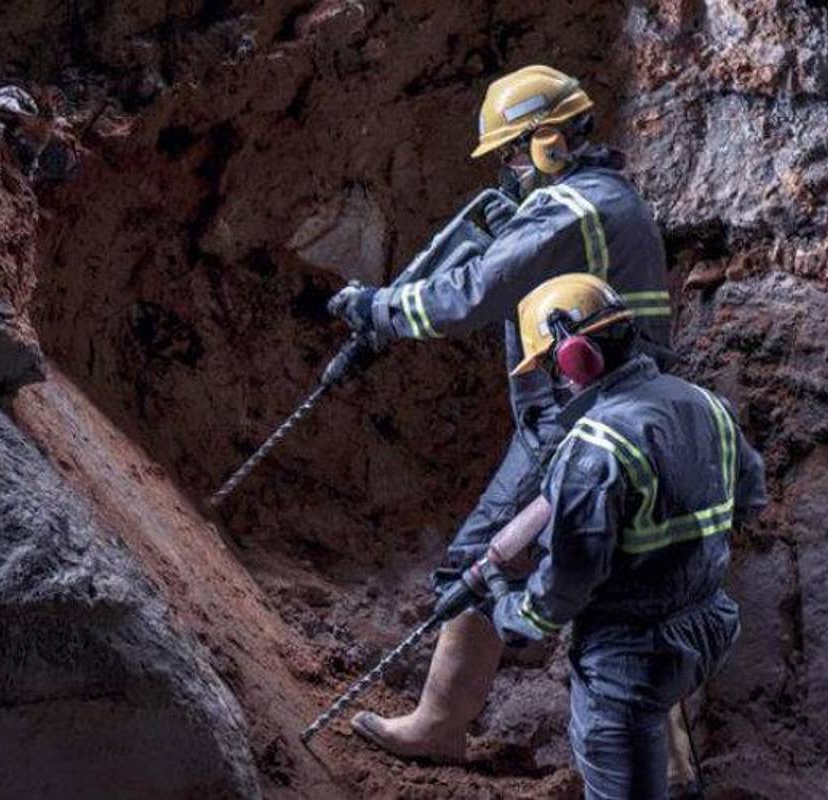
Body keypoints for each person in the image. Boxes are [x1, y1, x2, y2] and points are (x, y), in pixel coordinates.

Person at [328, 65, 673, 762]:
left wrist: (381, 310)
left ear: (549, 142)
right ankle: (663, 762)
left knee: (477, 566)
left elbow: (474, 294)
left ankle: (437, 727)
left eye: (515, 151)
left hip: (576, 422)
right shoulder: (608, 199)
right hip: (611, 409)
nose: (511, 168)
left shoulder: (571, 209)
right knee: (630, 593)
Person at [490, 274, 767, 799]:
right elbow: (748, 498)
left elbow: (561, 593)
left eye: (552, 366)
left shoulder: (593, 447)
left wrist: (509, 610)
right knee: (666, 765)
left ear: (575, 357)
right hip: (707, 626)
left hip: (629, 659)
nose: (555, 381)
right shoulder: (708, 404)